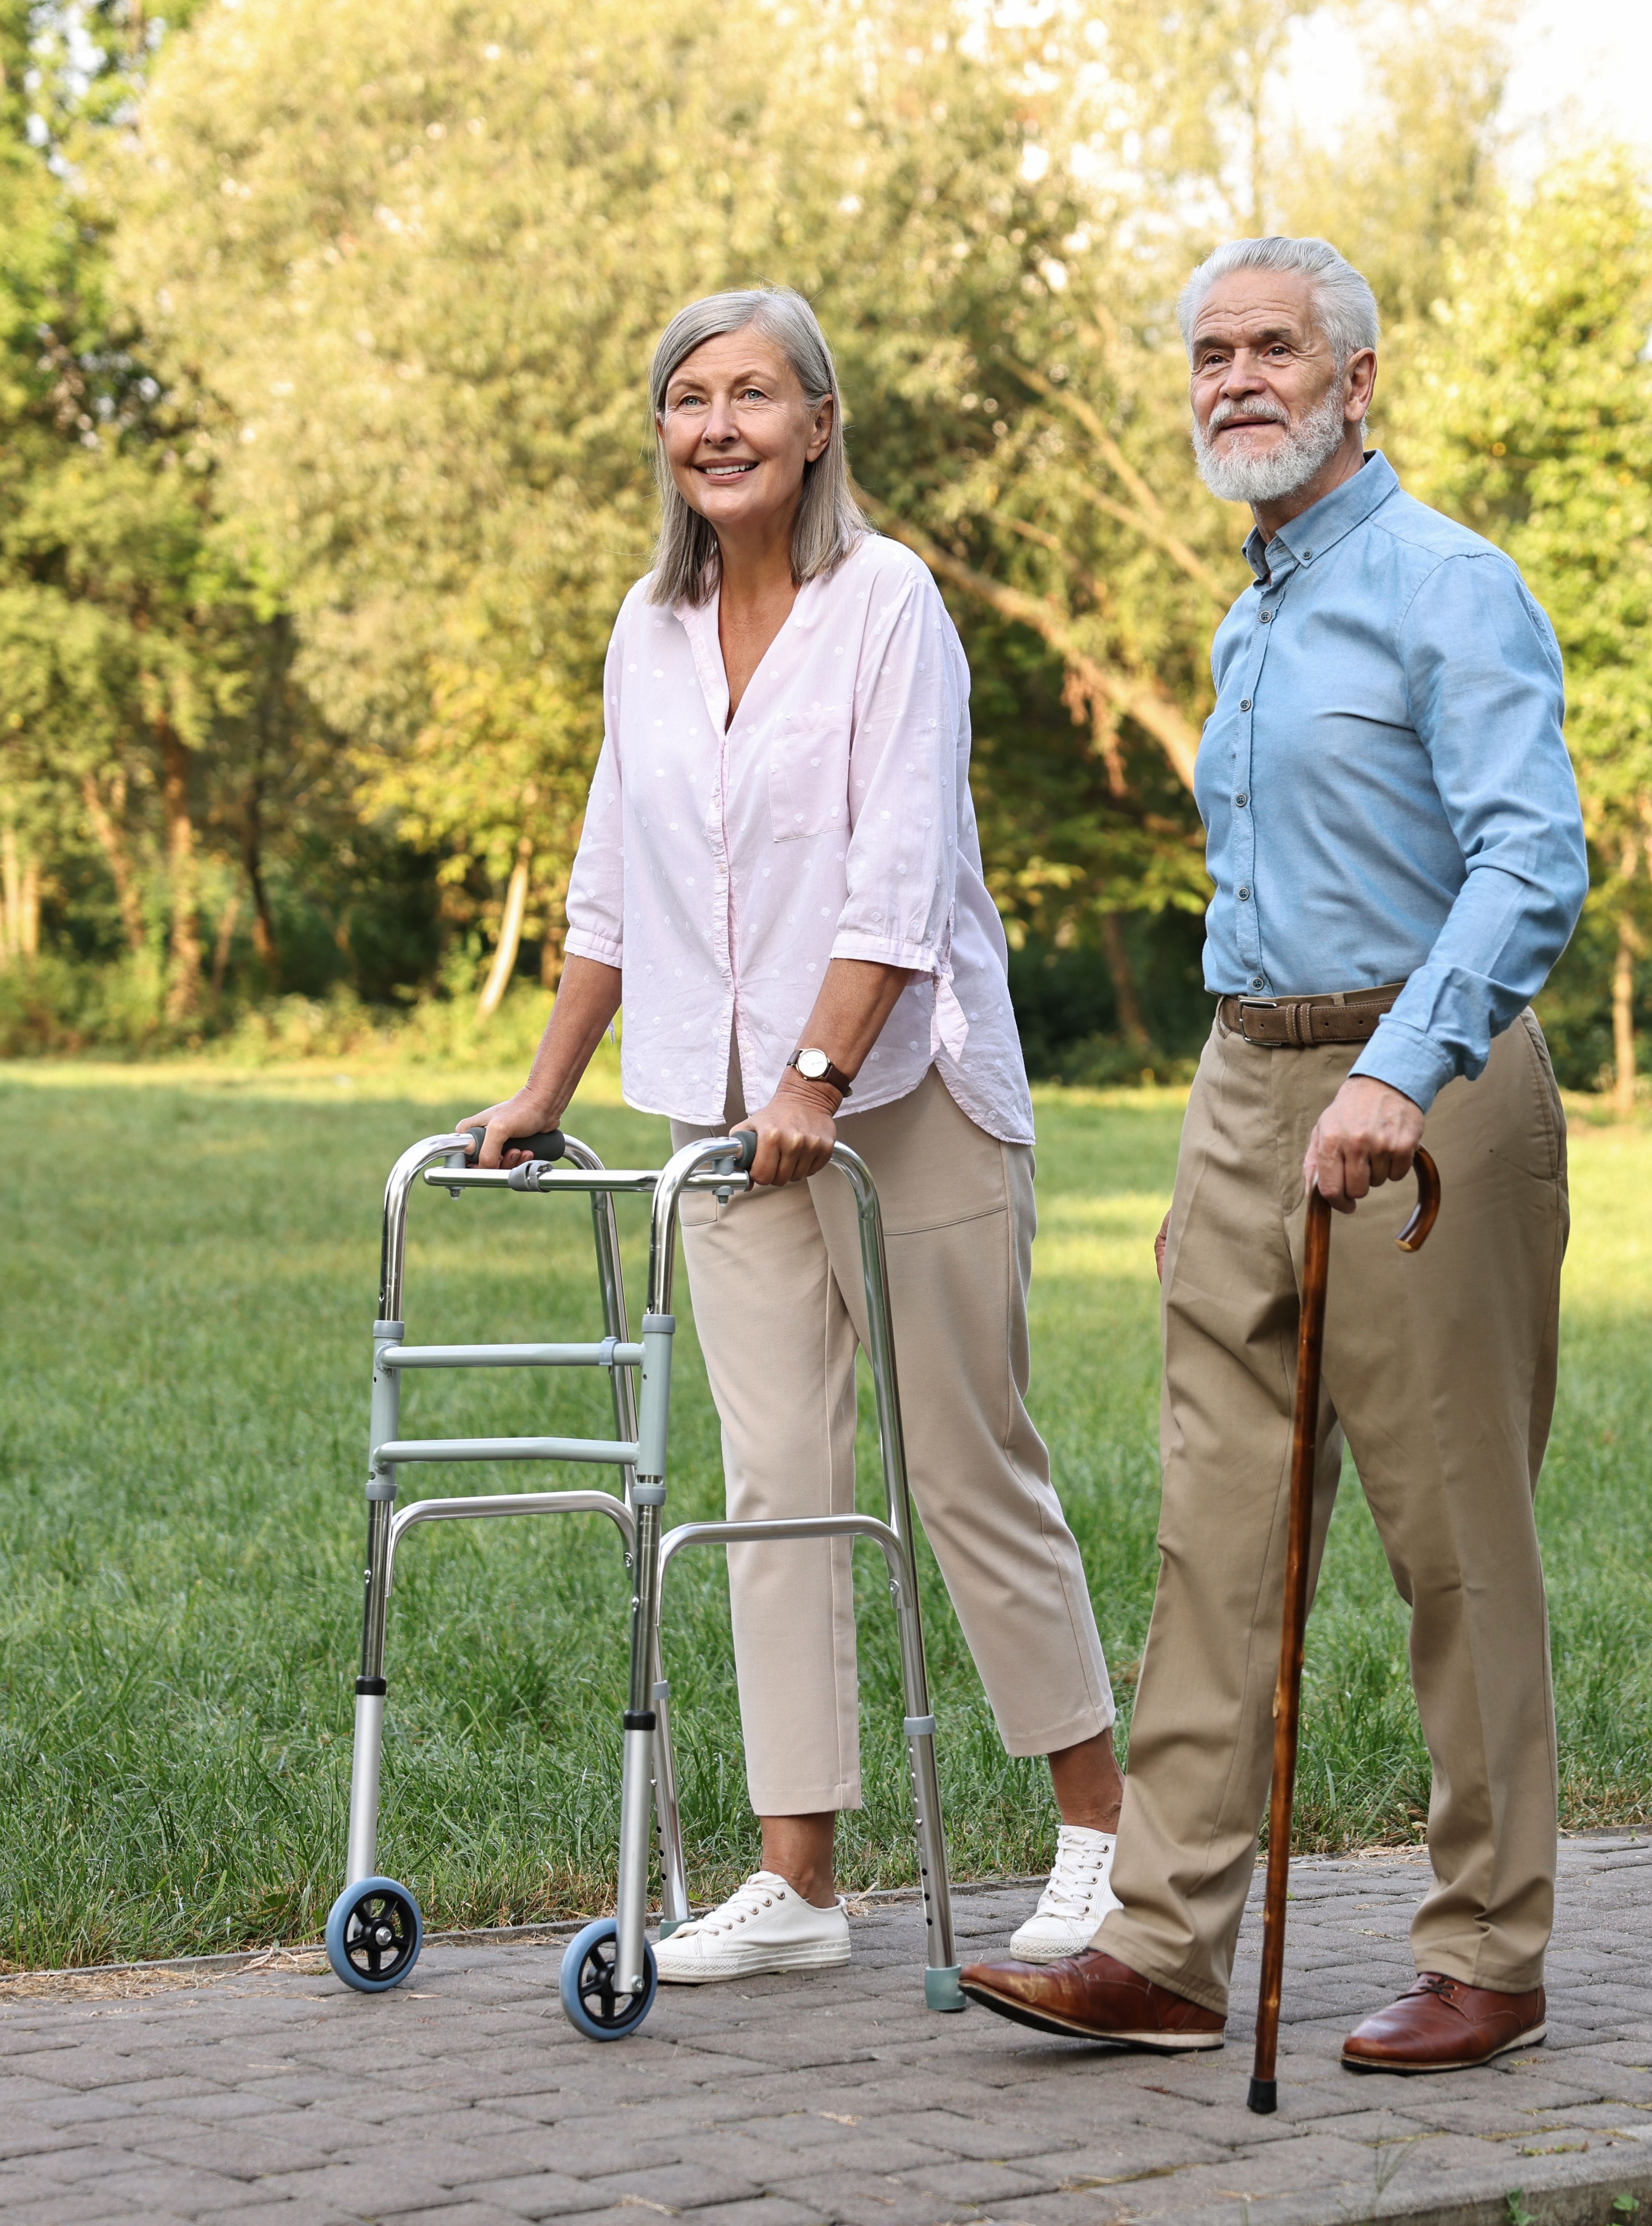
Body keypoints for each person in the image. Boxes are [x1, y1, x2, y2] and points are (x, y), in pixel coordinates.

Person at [957, 237, 1587, 2071]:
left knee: (1454, 1539)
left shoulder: (1448, 586)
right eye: (1213, 353)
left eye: (1276, 349)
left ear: (1358, 379)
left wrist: (1394, 1077)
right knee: (1215, 1536)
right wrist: (1241, 1116)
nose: (1237, 378)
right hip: (1249, 1088)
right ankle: (1161, 1945)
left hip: (1429, 1091)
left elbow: (1530, 860)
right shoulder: (1252, 613)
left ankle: (1491, 1948)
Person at [468, 286, 1127, 1983]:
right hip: (722, 1108)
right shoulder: (648, 625)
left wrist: (819, 1079)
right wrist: (546, 1086)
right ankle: (800, 1883)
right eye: (689, 398)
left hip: (900, 1097)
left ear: (818, 423)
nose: (718, 426)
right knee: (772, 1486)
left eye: (754, 393)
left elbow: (898, 869)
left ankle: (1102, 1842)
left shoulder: (886, 602)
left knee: (965, 1460)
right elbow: (615, 879)